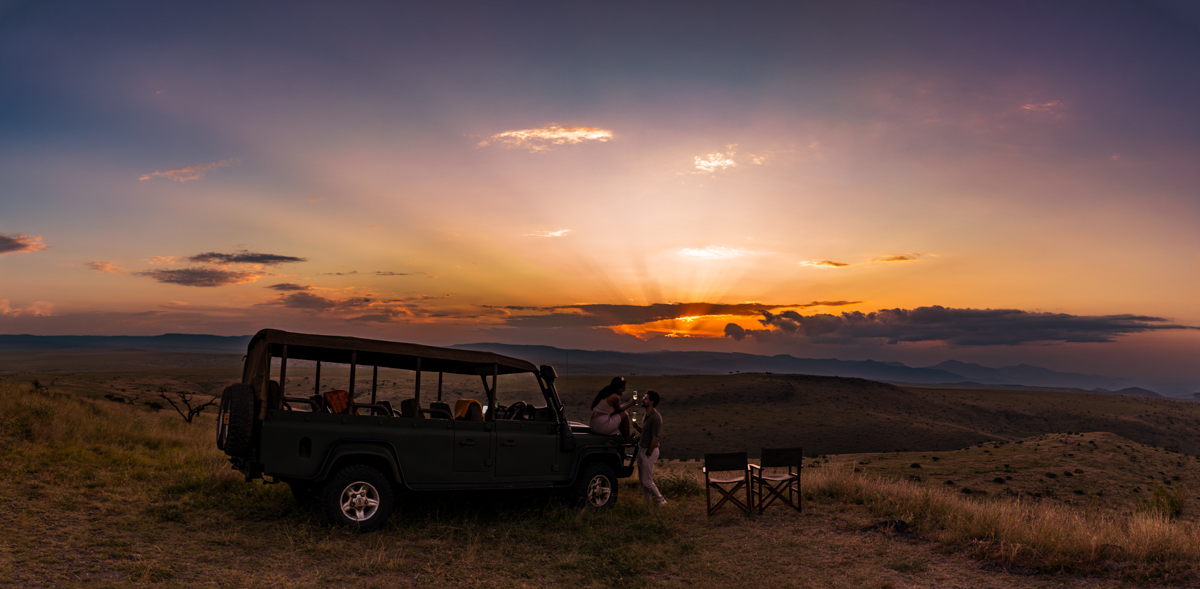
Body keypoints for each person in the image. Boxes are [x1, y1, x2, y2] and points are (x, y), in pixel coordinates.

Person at [637, 390, 666, 506]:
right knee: (643, 479)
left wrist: (648, 453)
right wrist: (637, 427)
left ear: (651, 402)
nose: (643, 399)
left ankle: (661, 500)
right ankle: (647, 501)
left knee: (647, 480)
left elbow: (655, 438)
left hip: (650, 451)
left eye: (645, 398)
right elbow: (645, 433)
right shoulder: (647, 415)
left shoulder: (655, 418)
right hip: (644, 449)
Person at [589, 376, 638, 443]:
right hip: (601, 426)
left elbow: (618, 409)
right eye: (623, 388)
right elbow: (619, 409)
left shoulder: (606, 392)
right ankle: (627, 439)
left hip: (593, 424)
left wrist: (630, 402)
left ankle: (626, 436)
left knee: (619, 416)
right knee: (625, 414)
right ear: (617, 387)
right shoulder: (615, 397)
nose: (624, 390)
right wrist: (631, 403)